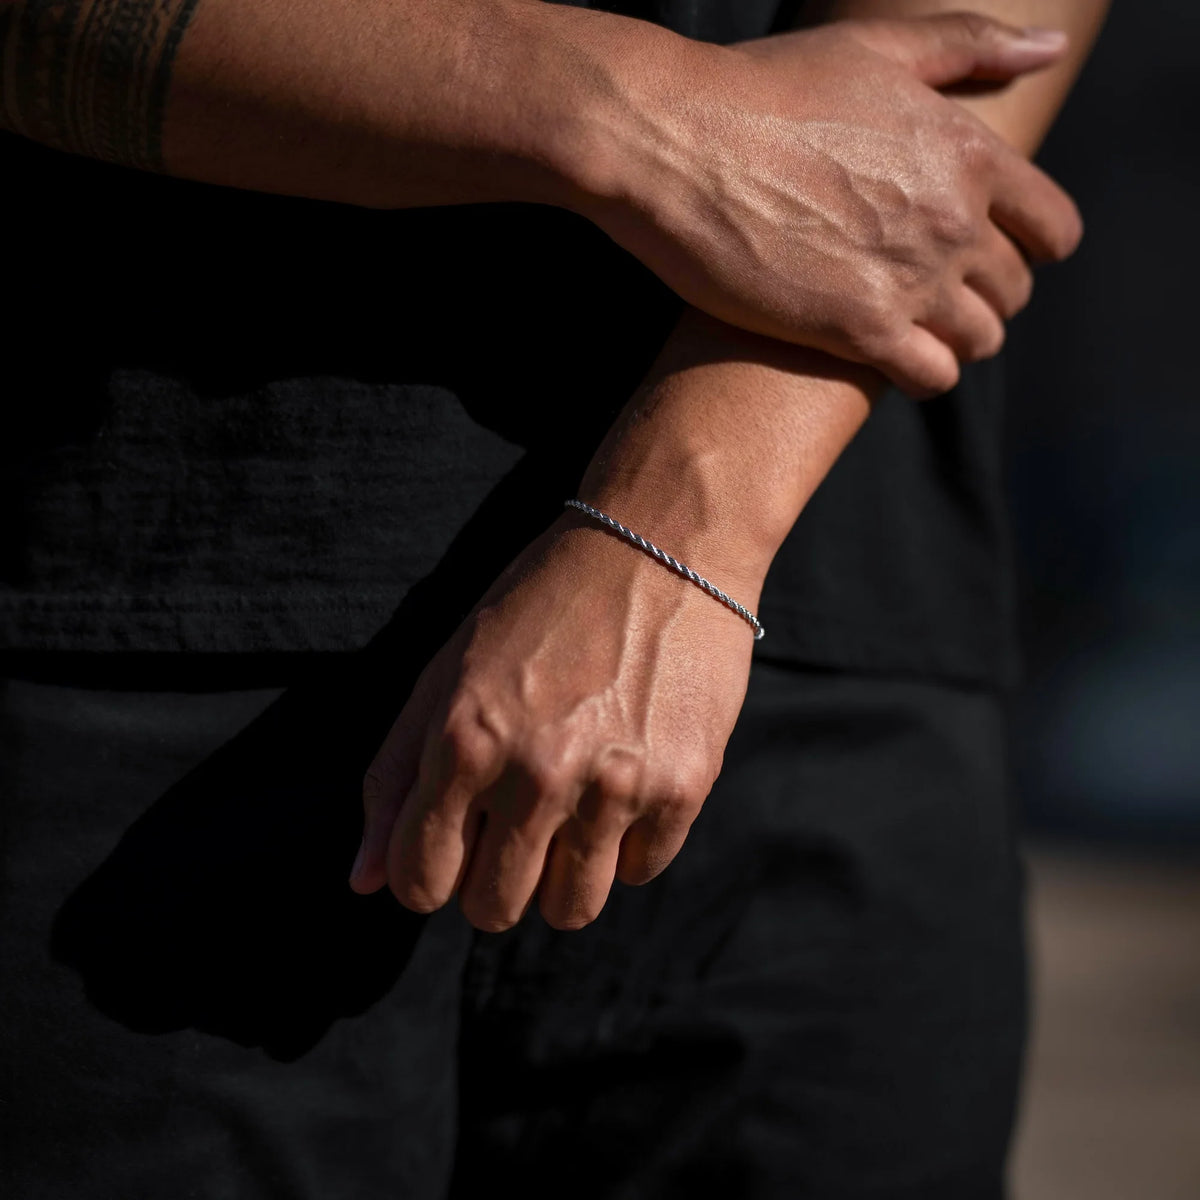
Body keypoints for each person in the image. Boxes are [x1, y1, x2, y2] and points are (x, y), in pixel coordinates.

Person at [0, 1, 1106, 1196]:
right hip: (156, 653)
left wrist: (690, 519)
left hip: (817, 641)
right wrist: (649, 123)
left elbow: (987, 40)